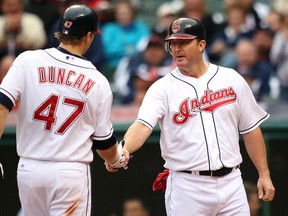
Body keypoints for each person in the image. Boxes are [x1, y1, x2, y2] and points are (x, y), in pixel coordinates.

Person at [110, 17, 275, 215]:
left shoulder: (231, 78)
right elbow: (143, 125)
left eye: (184, 42)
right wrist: (124, 148)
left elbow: (250, 129)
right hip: (187, 186)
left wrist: (264, 174)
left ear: (201, 44)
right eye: (173, 44)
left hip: (232, 182)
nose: (177, 48)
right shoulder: (162, 88)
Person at [0, 4, 126, 216]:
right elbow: (104, 143)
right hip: (69, 172)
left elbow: (2, 105)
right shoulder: (98, 81)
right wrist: (117, 159)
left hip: (29, 169)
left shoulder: (27, 60)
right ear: (88, 36)